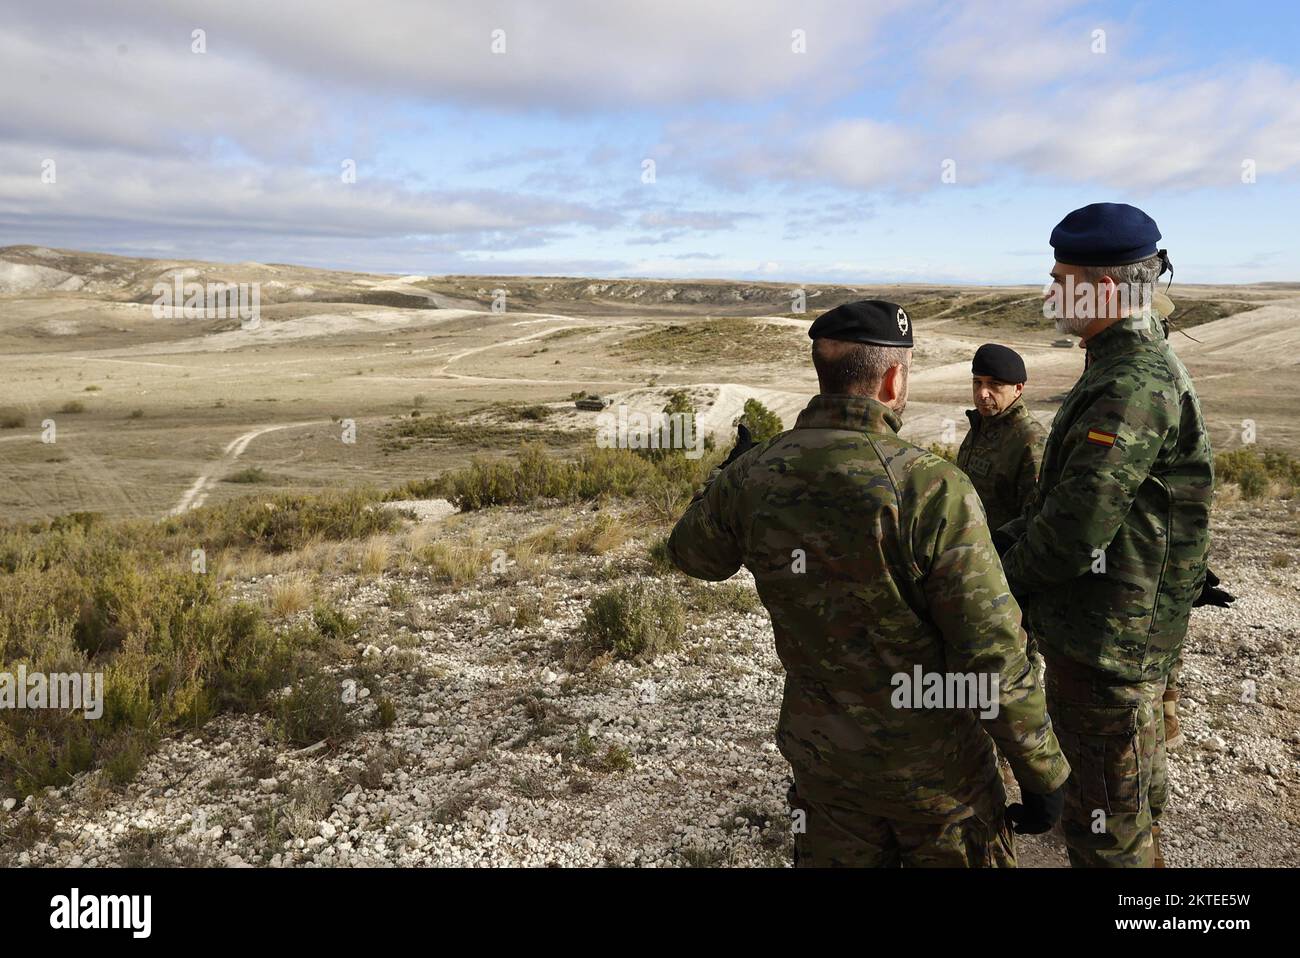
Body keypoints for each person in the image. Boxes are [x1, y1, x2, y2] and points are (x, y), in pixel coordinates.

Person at [668, 299, 1069, 867]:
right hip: (937, 782)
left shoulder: (757, 472)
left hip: (825, 770)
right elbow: (992, 652)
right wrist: (1043, 771)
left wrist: (726, 476)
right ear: (892, 378)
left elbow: (693, 554)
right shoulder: (930, 487)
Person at [996, 203, 1213, 867]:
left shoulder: (1132, 382)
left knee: (1103, 835)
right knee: (1130, 808)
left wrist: (991, 582)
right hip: (1113, 637)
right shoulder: (1117, 363)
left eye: (1061, 280)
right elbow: (1062, 500)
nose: (1049, 295)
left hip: (1107, 645)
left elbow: (1072, 530)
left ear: (1107, 289)